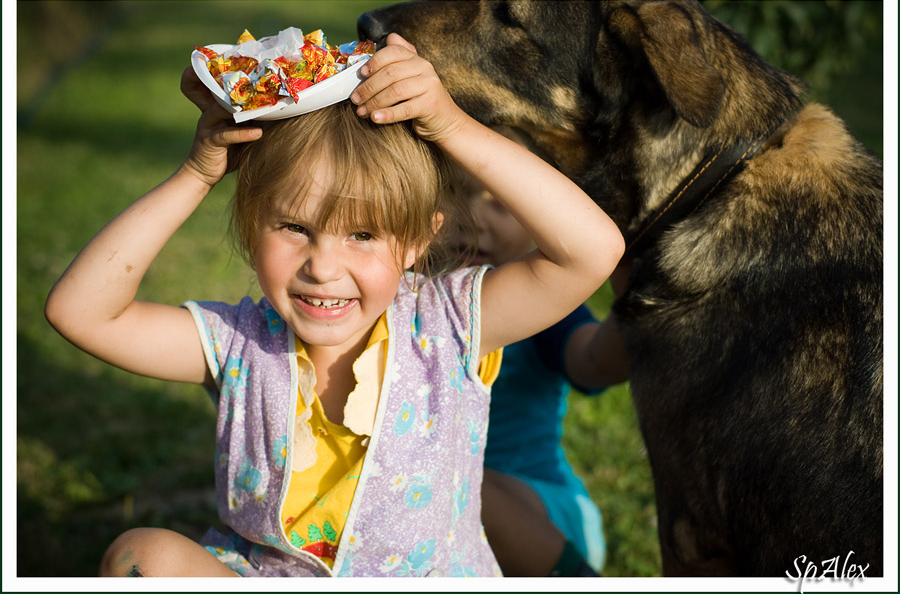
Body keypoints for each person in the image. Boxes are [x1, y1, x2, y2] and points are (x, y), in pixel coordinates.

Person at [44, 33, 624, 577]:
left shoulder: (451, 325)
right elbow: (82, 313)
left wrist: (451, 125)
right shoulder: (239, 343)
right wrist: (197, 175)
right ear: (250, 231)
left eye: (363, 235)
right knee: (142, 557)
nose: (323, 266)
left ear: (419, 240)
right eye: (294, 227)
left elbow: (591, 253)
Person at [449, 128, 631, 577]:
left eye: (501, 202)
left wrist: (638, 311)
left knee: (457, 478)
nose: (473, 218)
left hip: (546, 520)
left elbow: (590, 363)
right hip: (432, 515)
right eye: (451, 193)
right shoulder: (406, 295)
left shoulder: (536, 304)